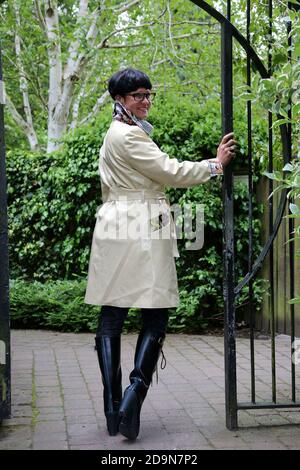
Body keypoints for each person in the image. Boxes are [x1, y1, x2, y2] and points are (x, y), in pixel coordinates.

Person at [84, 68, 236, 440]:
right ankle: (131, 399)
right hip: (140, 226)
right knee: (154, 312)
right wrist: (215, 165)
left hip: (117, 225)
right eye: (138, 95)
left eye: (149, 93)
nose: (146, 100)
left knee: (112, 313)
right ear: (120, 99)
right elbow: (170, 171)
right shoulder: (130, 135)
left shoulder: (114, 134)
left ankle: (113, 408)